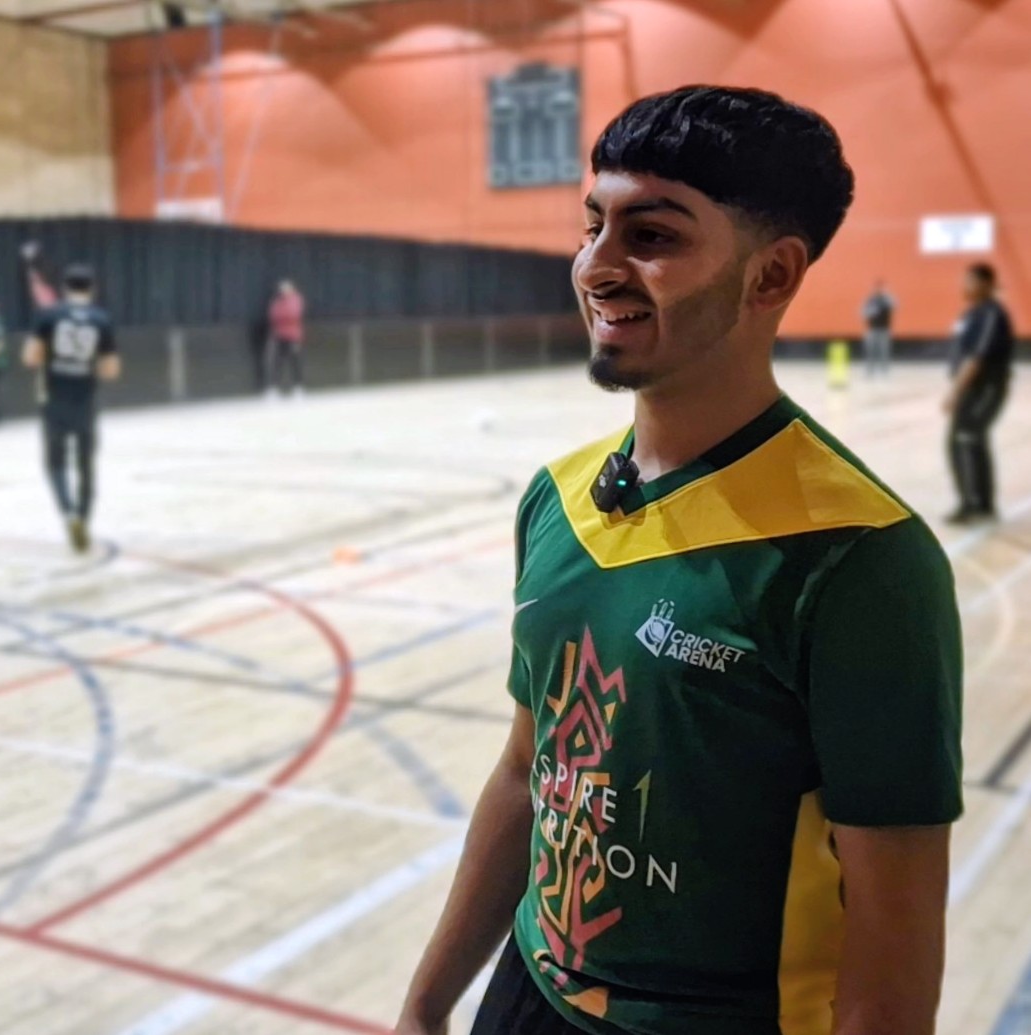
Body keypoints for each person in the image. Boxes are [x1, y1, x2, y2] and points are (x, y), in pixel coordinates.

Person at [397, 86, 961, 1035]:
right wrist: (426, 998)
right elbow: (527, 769)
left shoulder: (858, 557)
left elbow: (894, 935)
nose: (596, 266)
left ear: (770, 276)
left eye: (650, 237)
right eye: (591, 226)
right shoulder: (559, 499)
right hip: (530, 995)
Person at [24, 264, 121, 553]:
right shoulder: (102, 320)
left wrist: (51, 357)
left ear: (65, 288)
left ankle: (67, 513)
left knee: (55, 463)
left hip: (54, 399)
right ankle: (84, 518)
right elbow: (111, 370)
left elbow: (30, 357)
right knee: (86, 465)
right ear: (92, 289)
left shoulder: (48, 316)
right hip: (86, 401)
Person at [944, 262, 1014, 524]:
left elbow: (977, 358)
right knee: (967, 440)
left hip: (986, 389)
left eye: (970, 281)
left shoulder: (991, 314)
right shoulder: (971, 314)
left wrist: (955, 392)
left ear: (986, 283)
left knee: (966, 438)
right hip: (970, 391)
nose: (965, 286)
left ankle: (974, 505)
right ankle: (981, 503)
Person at [265, 280, 306, 398]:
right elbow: (273, 315)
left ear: (292, 289)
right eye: (282, 289)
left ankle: (299, 387)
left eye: (287, 289)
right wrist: (282, 317)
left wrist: (283, 316)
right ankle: (273, 389)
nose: (284, 291)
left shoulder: (296, 299)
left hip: (293, 336)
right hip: (279, 336)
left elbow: (293, 314)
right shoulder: (277, 301)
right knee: (277, 362)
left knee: (295, 362)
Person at [861, 278, 895, 378]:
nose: (879, 289)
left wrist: (887, 296)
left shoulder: (888, 299)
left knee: (884, 351)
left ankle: (884, 372)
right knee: (870, 350)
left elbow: (895, 305)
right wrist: (871, 312)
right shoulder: (871, 299)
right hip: (872, 329)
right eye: (877, 287)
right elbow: (863, 312)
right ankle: (870, 371)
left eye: (881, 287)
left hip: (884, 329)